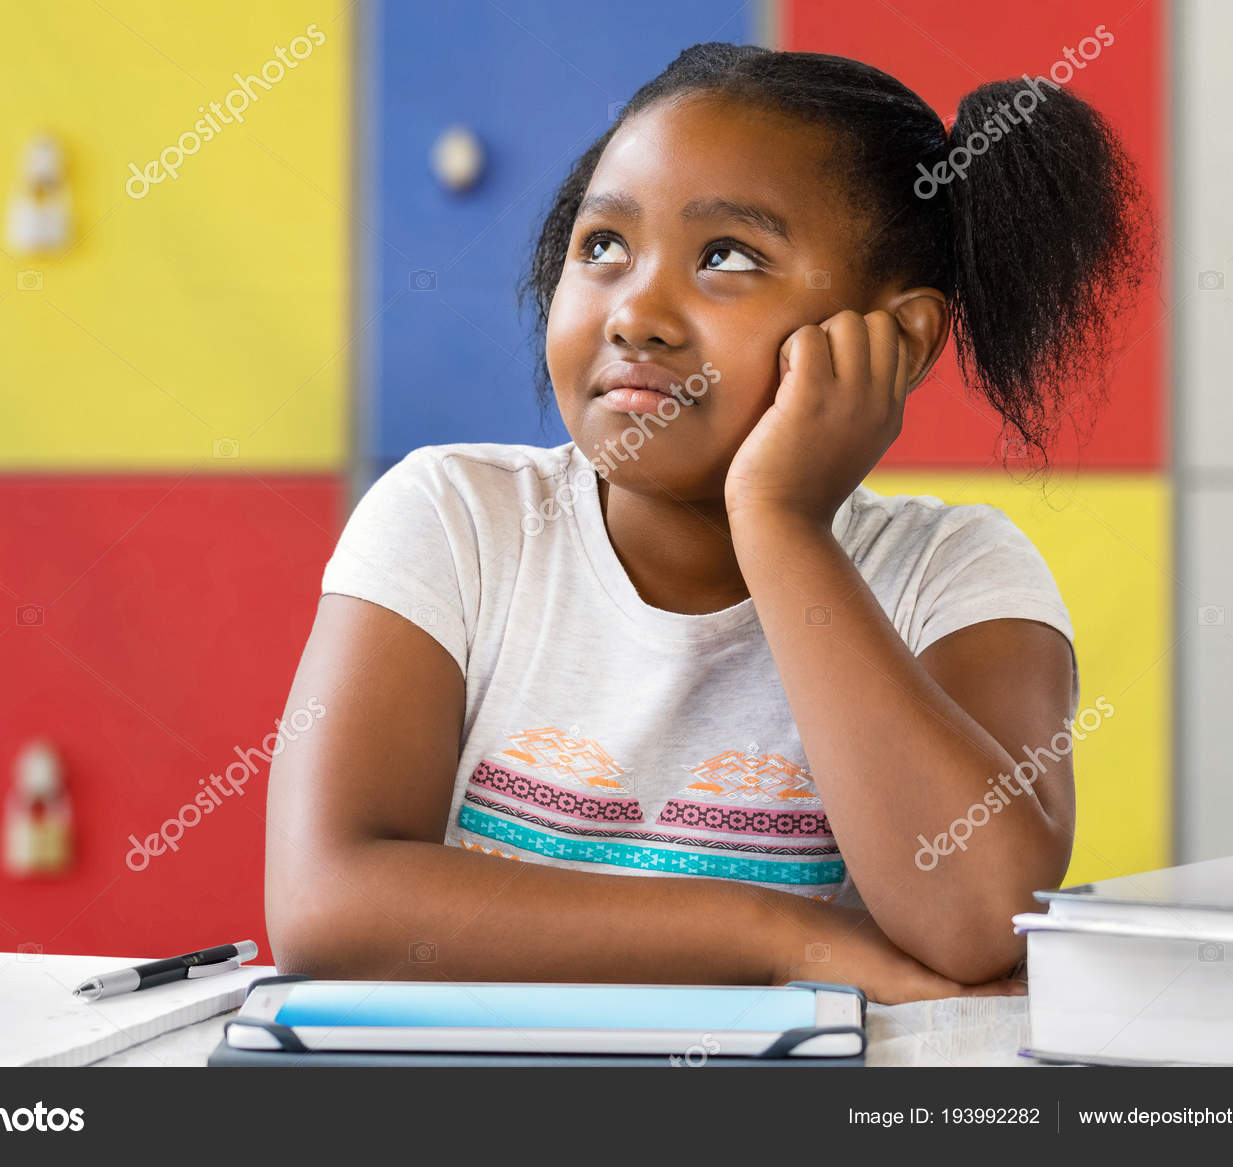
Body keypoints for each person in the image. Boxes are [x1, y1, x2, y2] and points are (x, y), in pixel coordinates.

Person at [265, 44, 1150, 1003]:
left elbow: (978, 919)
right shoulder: (454, 520)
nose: (635, 312)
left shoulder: (955, 574)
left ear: (899, 338)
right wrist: (774, 934)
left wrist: (781, 523)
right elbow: (329, 903)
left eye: (726, 257)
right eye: (603, 245)